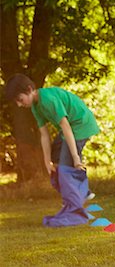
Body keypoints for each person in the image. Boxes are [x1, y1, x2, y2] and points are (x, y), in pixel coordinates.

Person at [5, 73, 100, 227]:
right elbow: (44, 135)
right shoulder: (36, 107)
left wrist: (76, 157)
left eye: (20, 100)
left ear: (30, 89)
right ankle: (79, 194)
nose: (19, 105)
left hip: (80, 125)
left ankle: (76, 208)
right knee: (56, 163)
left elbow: (66, 126)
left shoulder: (47, 100)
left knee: (65, 166)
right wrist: (47, 161)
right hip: (69, 129)